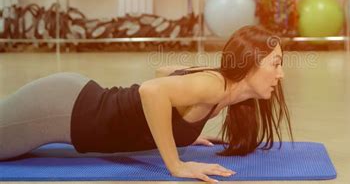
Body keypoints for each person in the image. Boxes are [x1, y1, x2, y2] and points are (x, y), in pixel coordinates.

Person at [0, 25, 293, 182]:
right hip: (61, 110)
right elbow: (153, 91)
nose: (281, 74)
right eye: (276, 64)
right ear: (250, 64)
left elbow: (164, 74)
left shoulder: (217, 90)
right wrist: (176, 165)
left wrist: (182, 124)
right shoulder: (213, 86)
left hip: (74, 103)